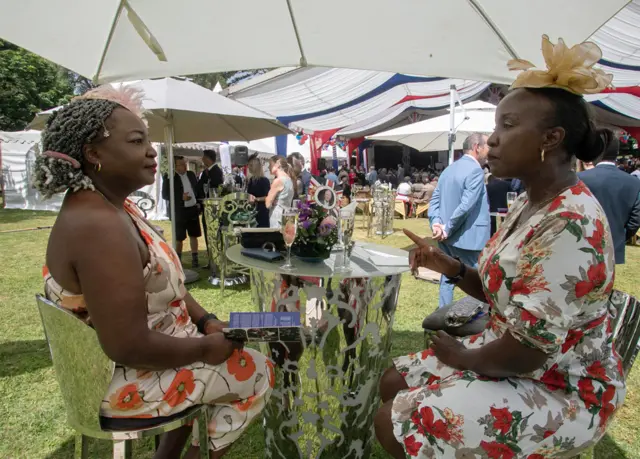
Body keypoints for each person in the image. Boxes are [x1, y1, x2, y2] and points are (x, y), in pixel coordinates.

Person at [375, 37, 625, 459]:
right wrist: (451, 267)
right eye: (495, 128)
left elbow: (528, 351)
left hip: (564, 386)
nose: (491, 141)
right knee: (392, 381)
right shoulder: (531, 201)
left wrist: (462, 359)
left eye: (507, 127)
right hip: (520, 359)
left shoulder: (570, 223)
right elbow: (503, 293)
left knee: (395, 420)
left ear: (552, 138)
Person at [36, 86, 273, 459]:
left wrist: (207, 321)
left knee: (252, 338)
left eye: (149, 140)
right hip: (120, 381)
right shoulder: (97, 225)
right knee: (256, 370)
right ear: (92, 153)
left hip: (152, 357)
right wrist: (203, 348)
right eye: (136, 141)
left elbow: (173, 289)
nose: (152, 151)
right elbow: (126, 346)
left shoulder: (112, 208)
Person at [428, 132, 490, 307]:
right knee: (480, 280)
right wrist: (446, 227)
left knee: (447, 278)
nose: (490, 151)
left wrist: (436, 224)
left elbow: (435, 201)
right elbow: (466, 205)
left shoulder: (448, 170)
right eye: (488, 146)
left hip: (447, 236)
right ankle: (480, 318)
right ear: (477, 147)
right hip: (469, 238)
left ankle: (442, 314)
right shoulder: (476, 171)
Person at [579, 134, 640, 264]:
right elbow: (635, 219)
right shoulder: (633, 183)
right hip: (613, 246)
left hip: (580, 242)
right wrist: (618, 236)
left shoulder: (580, 178)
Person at [162, 156, 202, 267]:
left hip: (192, 209)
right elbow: (165, 195)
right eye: (181, 164)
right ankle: (178, 260)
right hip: (179, 211)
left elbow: (197, 189)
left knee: (194, 234)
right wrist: (181, 197)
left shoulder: (191, 175)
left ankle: (195, 259)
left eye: (185, 163)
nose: (184, 166)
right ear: (175, 166)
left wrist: (198, 201)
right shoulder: (170, 177)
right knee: (179, 237)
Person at [266, 156, 294, 228]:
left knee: (276, 237)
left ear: (277, 164)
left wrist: (272, 200)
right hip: (287, 215)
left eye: (270, 164)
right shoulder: (289, 180)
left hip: (277, 216)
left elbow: (267, 204)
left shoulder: (278, 181)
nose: (268, 167)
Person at [246, 154, 271, 228]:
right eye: (248, 165)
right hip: (253, 211)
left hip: (262, 211)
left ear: (256, 167)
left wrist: (256, 199)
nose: (248, 167)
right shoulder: (251, 180)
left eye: (251, 165)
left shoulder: (264, 180)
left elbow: (268, 197)